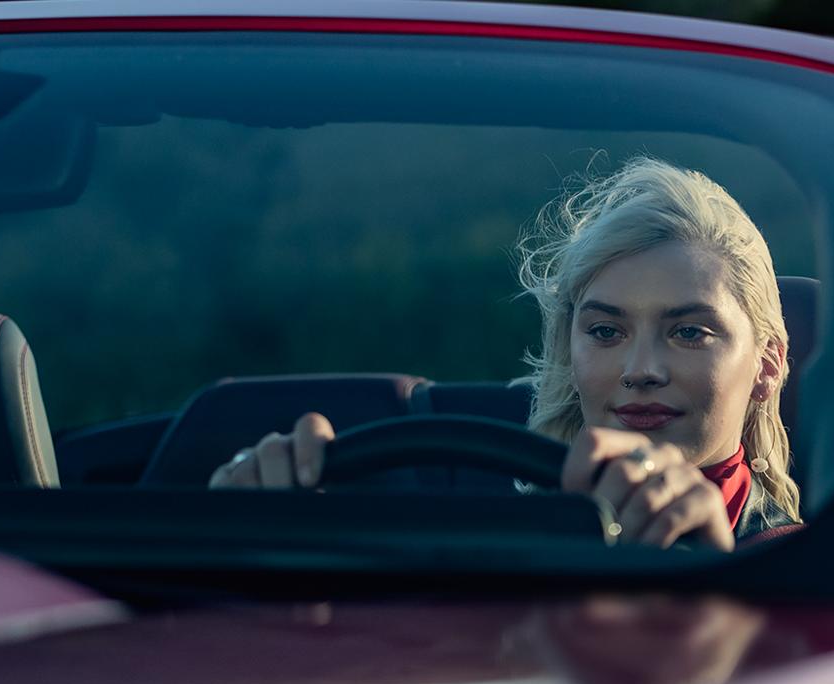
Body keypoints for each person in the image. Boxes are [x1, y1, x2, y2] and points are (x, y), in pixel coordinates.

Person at [208, 158, 803, 550]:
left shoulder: (817, 571)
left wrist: (721, 582)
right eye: (604, 331)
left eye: (689, 332)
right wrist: (271, 546)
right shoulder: (486, 536)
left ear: (768, 364)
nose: (640, 370)